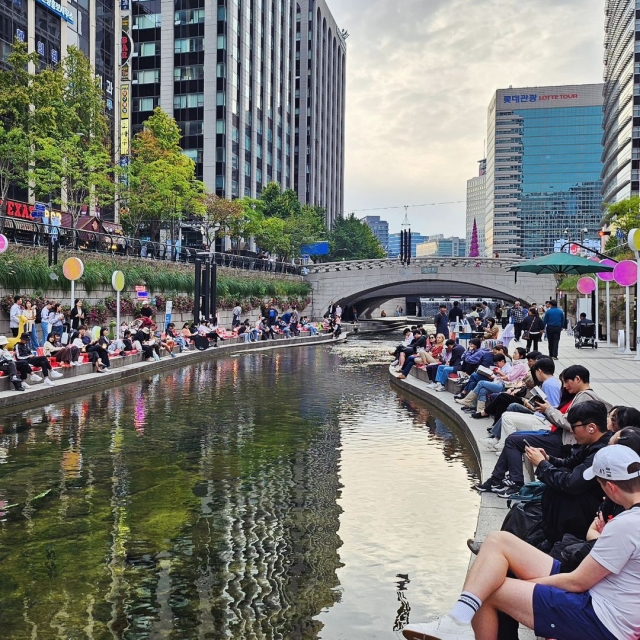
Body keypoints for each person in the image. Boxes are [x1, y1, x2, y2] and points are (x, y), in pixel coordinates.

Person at [402, 444, 640, 640]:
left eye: (598, 484)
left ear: (610, 486)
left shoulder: (625, 525)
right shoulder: (629, 519)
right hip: (607, 588)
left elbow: (578, 582)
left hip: (604, 618)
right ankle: (456, 620)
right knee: (498, 540)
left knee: (489, 590)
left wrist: (525, 582)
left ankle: (459, 619)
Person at [526, 401, 613, 547]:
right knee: (560, 478)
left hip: (596, 510)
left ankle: (552, 541)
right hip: (590, 504)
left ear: (591, 428)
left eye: (574, 427)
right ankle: (545, 536)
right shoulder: (595, 444)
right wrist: (548, 459)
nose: (571, 431)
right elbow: (571, 463)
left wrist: (542, 465)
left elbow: (571, 484)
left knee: (563, 492)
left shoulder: (602, 451)